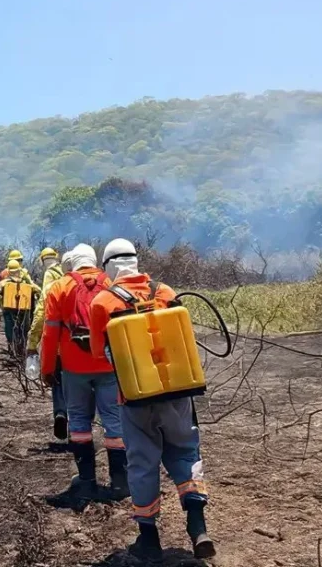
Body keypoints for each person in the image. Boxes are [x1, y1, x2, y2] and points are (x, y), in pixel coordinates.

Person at [89, 238, 215, 561]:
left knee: (143, 464)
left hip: (134, 399)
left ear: (109, 267)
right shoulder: (166, 292)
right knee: (186, 453)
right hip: (177, 394)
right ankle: (198, 528)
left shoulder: (103, 302)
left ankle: (149, 540)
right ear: (134, 260)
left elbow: (97, 354)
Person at [40, 243, 128, 499]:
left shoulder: (60, 287)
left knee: (78, 422)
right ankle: (120, 483)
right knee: (114, 421)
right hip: (109, 365)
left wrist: (47, 368)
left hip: (73, 367)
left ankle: (87, 481)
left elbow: (50, 333)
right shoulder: (112, 282)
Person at [26, 247, 69, 440]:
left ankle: (60, 412)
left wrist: (32, 340)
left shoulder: (50, 277)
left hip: (60, 341)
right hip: (84, 343)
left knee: (58, 380)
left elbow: (43, 308)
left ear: (43, 261)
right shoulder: (72, 274)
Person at [0, 259, 41, 356]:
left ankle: (13, 352)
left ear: (9, 271)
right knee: (24, 331)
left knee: (10, 331)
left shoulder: (4, 283)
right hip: (24, 311)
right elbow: (38, 290)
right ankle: (22, 351)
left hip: (9, 311)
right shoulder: (27, 284)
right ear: (19, 270)